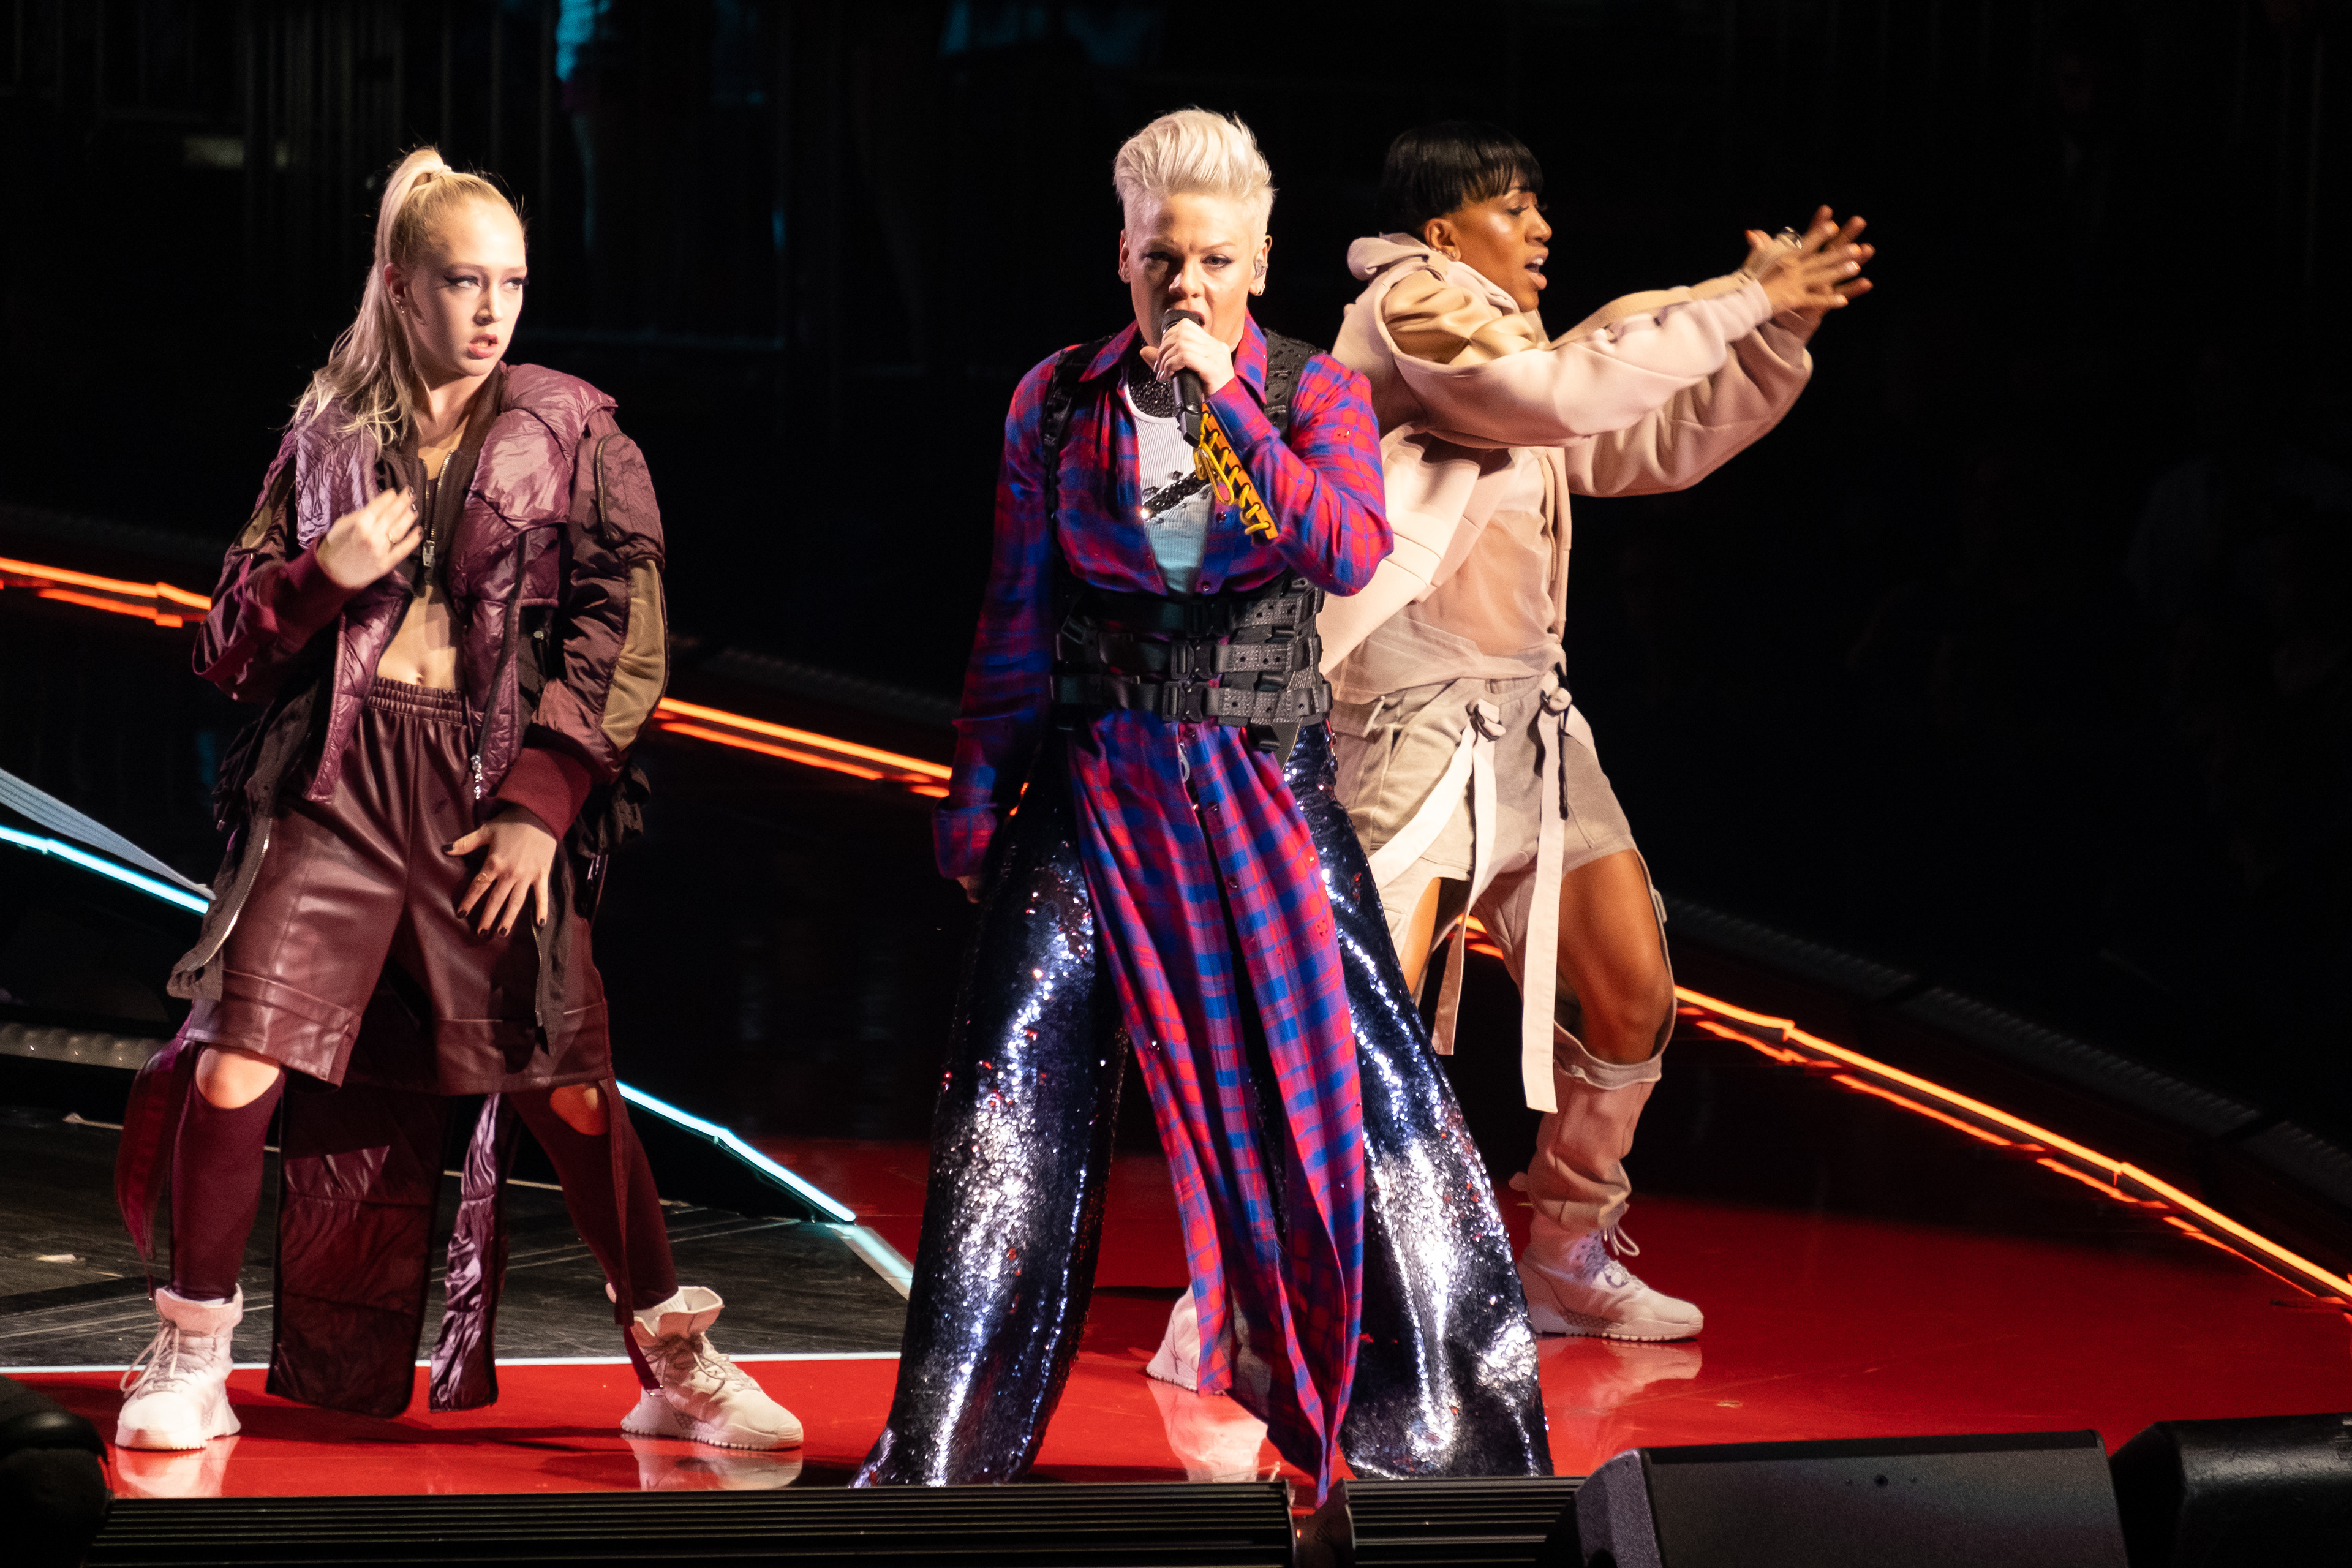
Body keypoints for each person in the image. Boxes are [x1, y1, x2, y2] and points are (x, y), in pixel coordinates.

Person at [856, 107, 1527, 1499]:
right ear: (1124, 256)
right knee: (1008, 1093)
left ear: (1261, 264)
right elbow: (1015, 609)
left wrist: (1225, 408)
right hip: (1096, 783)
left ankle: (1446, 1441)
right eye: (1165, 257)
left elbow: (1343, 550)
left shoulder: (1309, 395)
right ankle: (942, 1463)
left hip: (1261, 791)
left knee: (1368, 1092)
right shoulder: (1057, 400)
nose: (1188, 285)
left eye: (1217, 260)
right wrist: (976, 799)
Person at [111, 148, 797, 1455]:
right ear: (399, 285)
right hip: (337, 786)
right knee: (237, 1053)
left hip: (486, 798)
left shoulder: (572, 428)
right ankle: (192, 1348)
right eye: (463, 282)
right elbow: (227, 646)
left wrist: (543, 800)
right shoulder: (325, 437)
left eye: (512, 283)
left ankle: (676, 1358)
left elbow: (626, 632)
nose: (493, 310)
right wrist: (318, 576)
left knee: (567, 1085)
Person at [1318, 123, 1872, 1341]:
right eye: (1515, 208)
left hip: (1531, 725)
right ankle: (1283, 1287)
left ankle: (1566, 1251)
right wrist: (1736, 298)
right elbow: (1563, 394)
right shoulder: (1412, 307)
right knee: (1353, 1027)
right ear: (1445, 229)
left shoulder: (1506, 342)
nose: (1543, 228)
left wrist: (1770, 331)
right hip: (1413, 727)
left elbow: (1638, 439)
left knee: (1630, 994)